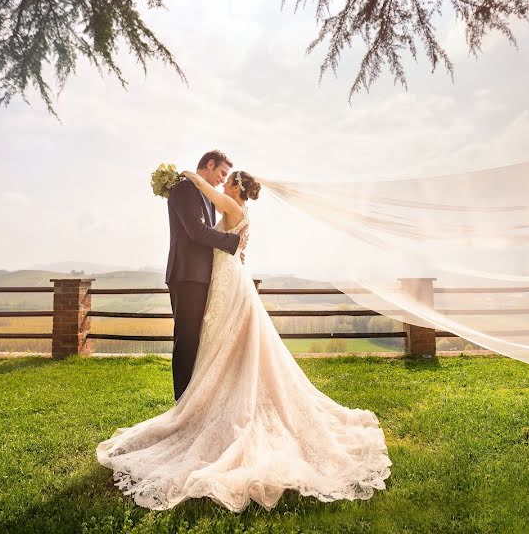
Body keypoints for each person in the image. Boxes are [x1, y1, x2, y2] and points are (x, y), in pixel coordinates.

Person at [96, 165, 392, 512]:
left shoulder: (233, 207)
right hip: (225, 278)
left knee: (230, 339)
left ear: (236, 186)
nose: (222, 182)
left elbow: (210, 197)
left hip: (230, 281)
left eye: (227, 178)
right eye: (220, 176)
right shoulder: (237, 211)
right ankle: (213, 394)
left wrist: (191, 176)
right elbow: (209, 229)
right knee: (224, 342)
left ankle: (219, 399)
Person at [163, 150, 248, 401]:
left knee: (199, 341)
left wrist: (234, 251)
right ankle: (182, 402)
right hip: (187, 275)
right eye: (222, 172)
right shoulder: (185, 189)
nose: (223, 179)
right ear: (209, 164)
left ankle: (195, 400)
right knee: (187, 340)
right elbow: (196, 232)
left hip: (202, 275)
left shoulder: (205, 195)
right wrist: (235, 242)